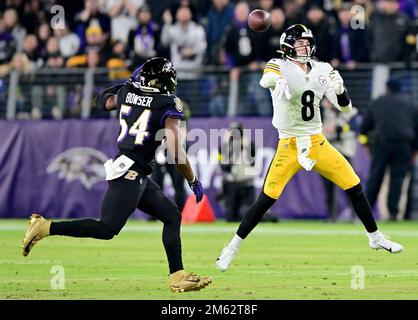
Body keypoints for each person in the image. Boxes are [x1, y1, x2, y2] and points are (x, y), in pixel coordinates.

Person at [215, 24, 404, 273]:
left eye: (307, 42)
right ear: (287, 46)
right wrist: (277, 81)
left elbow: (345, 108)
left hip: (317, 141)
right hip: (289, 144)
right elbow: (265, 79)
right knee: (265, 199)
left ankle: (375, 237)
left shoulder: (322, 69)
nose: (305, 47)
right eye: (300, 43)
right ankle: (231, 248)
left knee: (354, 185)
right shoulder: (278, 64)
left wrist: (340, 90)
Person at [21, 57, 212, 293]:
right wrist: (192, 179)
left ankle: (177, 275)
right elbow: (175, 150)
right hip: (131, 171)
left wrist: (124, 85)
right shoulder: (168, 102)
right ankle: (44, 227)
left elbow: (102, 101)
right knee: (107, 229)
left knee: (172, 215)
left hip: (134, 168)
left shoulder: (125, 92)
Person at [360, 78, 418, 221]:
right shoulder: (411, 103)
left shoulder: (378, 101)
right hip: (403, 146)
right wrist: (415, 150)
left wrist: (367, 146)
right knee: (397, 180)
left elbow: (364, 128)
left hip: (381, 145)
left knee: (375, 179)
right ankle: (393, 213)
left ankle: (365, 212)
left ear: (387, 88)